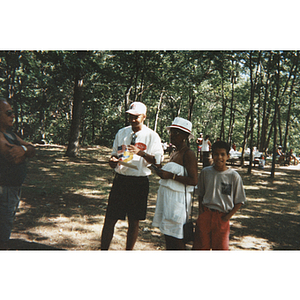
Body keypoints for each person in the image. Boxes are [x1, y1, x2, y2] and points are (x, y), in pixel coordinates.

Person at [100, 102, 163, 250]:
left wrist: (140, 153)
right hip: (121, 180)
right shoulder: (122, 133)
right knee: (110, 219)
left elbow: (158, 162)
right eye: (130, 116)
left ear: (144, 117)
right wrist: (113, 161)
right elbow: (115, 155)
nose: (133, 120)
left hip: (139, 182)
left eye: (136, 117)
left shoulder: (152, 136)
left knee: (134, 221)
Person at [152, 117, 198, 250]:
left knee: (177, 236)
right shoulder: (174, 152)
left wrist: (171, 176)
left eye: (176, 133)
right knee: (168, 233)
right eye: (171, 132)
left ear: (185, 136)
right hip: (167, 198)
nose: (172, 135)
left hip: (179, 201)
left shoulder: (188, 154)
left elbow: (194, 180)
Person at [192, 140, 246, 250]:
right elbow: (200, 193)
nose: (219, 157)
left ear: (228, 156)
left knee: (221, 249)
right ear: (212, 155)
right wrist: (201, 213)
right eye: (216, 154)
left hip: (222, 217)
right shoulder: (205, 172)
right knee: (200, 248)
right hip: (205, 215)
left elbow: (239, 200)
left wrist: (226, 217)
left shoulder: (233, 176)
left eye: (222, 154)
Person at [0, 98, 36, 249]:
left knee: (7, 225)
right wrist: (24, 150)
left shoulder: (11, 135)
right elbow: (13, 157)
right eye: (8, 113)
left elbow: (33, 150)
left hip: (13, 190)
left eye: (13, 112)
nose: (12, 116)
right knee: (3, 232)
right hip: (4, 190)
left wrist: (25, 150)